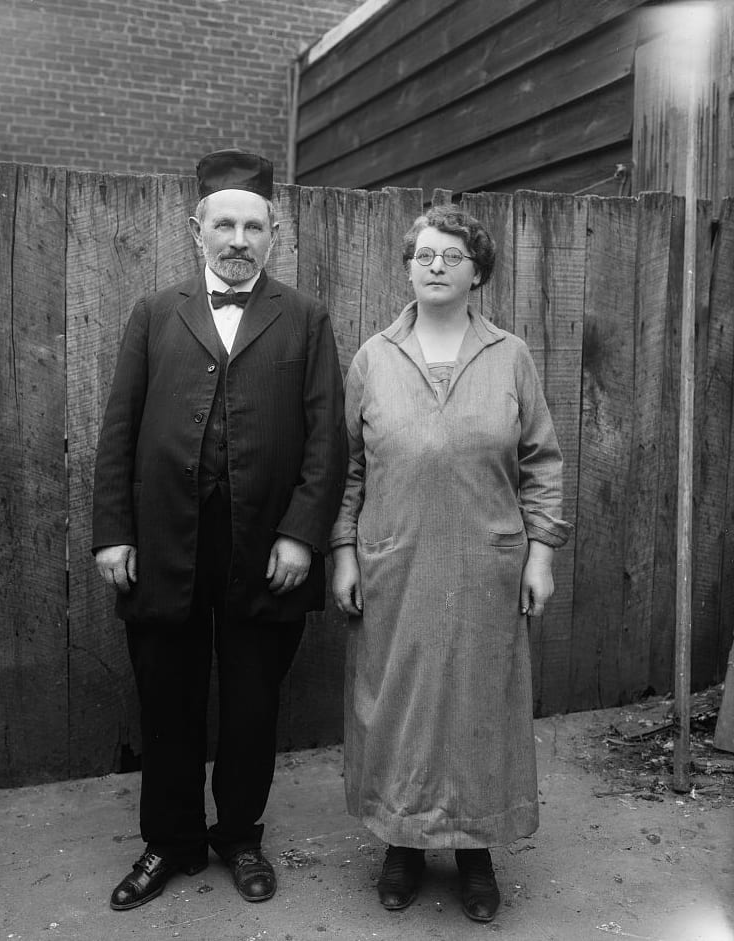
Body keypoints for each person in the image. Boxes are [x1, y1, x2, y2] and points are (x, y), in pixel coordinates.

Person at [92, 149, 346, 911]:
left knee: (251, 701)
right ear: (196, 228)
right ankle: (169, 840)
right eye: (225, 223)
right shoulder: (154, 312)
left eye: (254, 226)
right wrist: (113, 532)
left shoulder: (305, 317)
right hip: (164, 542)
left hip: (264, 550)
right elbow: (119, 428)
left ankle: (239, 833)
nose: (239, 239)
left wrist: (302, 534)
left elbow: (326, 437)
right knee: (167, 699)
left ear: (276, 234)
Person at [330, 205, 572, 923]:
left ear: (477, 272)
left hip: (485, 562)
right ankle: (400, 844)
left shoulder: (510, 356)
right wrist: (343, 548)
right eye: (425, 254)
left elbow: (541, 462)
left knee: (478, 706)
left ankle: (474, 852)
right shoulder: (374, 356)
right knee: (394, 703)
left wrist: (542, 551)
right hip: (391, 563)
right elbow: (348, 468)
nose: (437, 265)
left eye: (452, 256)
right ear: (407, 266)